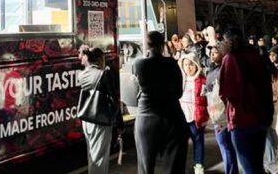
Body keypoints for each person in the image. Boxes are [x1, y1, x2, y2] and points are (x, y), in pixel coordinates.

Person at [132, 31, 189, 174]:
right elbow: (179, 92)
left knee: (145, 167)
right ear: (163, 45)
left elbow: (135, 93)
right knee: (174, 168)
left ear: (146, 45)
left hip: (146, 119)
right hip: (173, 118)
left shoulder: (139, 64)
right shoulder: (172, 64)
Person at [219, 28, 273, 174]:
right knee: (257, 166)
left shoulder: (230, 58)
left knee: (249, 168)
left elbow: (227, 92)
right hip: (261, 116)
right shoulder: (256, 55)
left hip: (241, 119)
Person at [77, 46, 124, 174]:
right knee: (99, 158)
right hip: (100, 120)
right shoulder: (103, 74)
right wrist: (119, 122)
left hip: (87, 120)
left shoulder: (82, 74)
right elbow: (114, 99)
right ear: (99, 59)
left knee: (92, 155)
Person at [205, 44, 238, 174]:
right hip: (216, 112)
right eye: (211, 53)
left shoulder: (225, 70)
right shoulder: (211, 70)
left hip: (225, 113)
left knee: (226, 145)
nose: (212, 55)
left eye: (215, 53)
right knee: (225, 146)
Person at [179, 53, 210, 174]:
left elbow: (207, 99)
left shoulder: (202, 80)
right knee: (181, 144)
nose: (188, 67)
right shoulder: (180, 79)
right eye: (185, 64)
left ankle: (199, 165)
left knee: (198, 141)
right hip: (181, 117)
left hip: (196, 117)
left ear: (196, 65)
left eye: (191, 64)